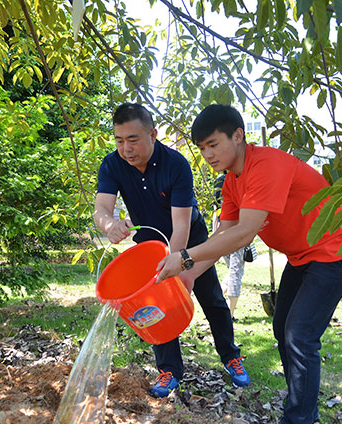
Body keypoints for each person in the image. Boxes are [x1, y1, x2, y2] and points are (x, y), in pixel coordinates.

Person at [156, 104, 342, 423]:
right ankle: (300, 404)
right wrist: (190, 275)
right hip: (303, 256)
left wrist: (183, 257)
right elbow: (221, 236)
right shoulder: (230, 183)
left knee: (299, 334)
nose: (208, 154)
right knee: (283, 328)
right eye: (202, 148)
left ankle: (299, 417)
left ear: (238, 136)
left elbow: (243, 234)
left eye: (213, 144)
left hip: (336, 250)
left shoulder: (264, 164)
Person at [94, 103, 250, 398]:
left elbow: (180, 226)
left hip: (190, 240)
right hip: (149, 246)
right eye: (119, 140)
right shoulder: (112, 165)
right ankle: (169, 370)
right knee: (154, 307)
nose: (126, 148)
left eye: (133, 139)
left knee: (212, 299)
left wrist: (177, 268)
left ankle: (231, 356)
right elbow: (102, 208)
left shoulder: (176, 164)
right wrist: (108, 225)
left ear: (153, 134)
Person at [213, 173, 246, 320]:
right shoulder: (239, 179)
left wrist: (215, 232)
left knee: (232, 271)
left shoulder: (218, 180)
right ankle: (230, 314)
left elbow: (215, 209)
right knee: (235, 272)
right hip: (236, 227)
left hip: (222, 227)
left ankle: (221, 307)